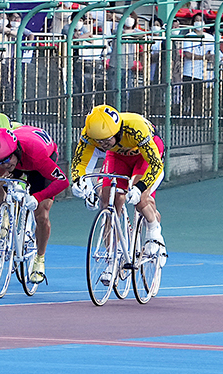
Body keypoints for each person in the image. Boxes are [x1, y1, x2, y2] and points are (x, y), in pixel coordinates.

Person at [69, 104, 167, 275]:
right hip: (118, 156)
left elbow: (155, 164)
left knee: (140, 197)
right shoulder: (90, 133)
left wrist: (140, 187)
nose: (102, 145)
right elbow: (81, 163)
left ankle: (153, 229)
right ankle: (112, 257)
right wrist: (79, 182)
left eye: (106, 141)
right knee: (107, 201)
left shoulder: (135, 127)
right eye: (99, 142)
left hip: (145, 155)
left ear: (117, 132)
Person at [0, 126, 68, 284]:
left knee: (41, 213)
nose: (4, 164)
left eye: (7, 160)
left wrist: (38, 197)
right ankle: (5, 216)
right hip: (19, 159)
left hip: (38, 164)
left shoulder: (37, 155)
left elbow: (63, 181)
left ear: (16, 150)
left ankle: (40, 259)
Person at [181, 12, 213, 115]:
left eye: (200, 20)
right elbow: (188, 54)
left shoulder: (210, 38)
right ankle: (185, 115)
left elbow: (212, 54)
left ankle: (197, 116)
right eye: (196, 20)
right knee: (186, 96)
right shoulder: (189, 36)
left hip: (202, 73)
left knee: (199, 97)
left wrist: (204, 57)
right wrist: (203, 57)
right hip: (189, 71)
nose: (198, 23)